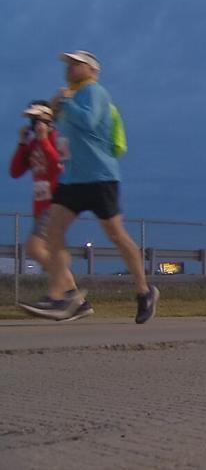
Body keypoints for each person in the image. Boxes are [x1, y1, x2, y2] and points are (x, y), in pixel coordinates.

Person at [18, 51, 159, 323]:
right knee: (52, 233)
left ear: (92, 69)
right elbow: (62, 129)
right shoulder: (70, 95)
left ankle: (144, 290)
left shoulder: (95, 92)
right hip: (72, 180)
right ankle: (63, 297)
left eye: (75, 63)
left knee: (116, 235)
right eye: (67, 64)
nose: (69, 68)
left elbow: (88, 121)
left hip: (100, 176)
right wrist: (50, 114)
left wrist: (65, 102)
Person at [10, 101, 92, 320]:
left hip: (57, 203)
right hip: (40, 206)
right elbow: (15, 171)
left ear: (47, 120)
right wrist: (22, 143)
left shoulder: (58, 139)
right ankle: (75, 301)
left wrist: (45, 139)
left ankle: (67, 295)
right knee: (55, 253)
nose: (32, 123)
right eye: (31, 120)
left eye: (36, 119)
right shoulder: (32, 145)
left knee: (35, 248)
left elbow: (59, 166)